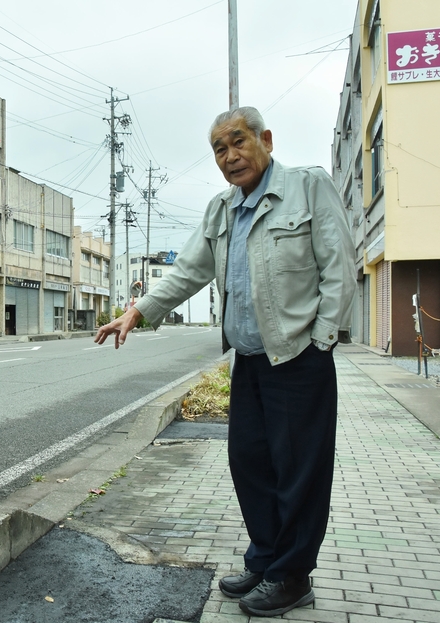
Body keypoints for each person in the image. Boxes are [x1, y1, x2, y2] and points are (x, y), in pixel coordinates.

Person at [95, 106, 356, 617]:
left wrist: (322, 339)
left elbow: (339, 266)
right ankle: (265, 561)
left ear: (266, 140)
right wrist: (138, 313)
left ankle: (291, 575)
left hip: (298, 359)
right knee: (250, 464)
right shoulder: (222, 209)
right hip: (250, 363)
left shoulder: (307, 187)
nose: (231, 156)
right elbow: (188, 271)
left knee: (299, 471)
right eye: (220, 148)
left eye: (239, 142)